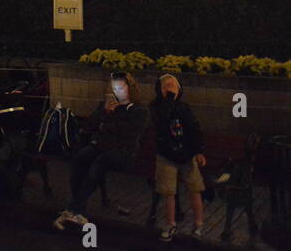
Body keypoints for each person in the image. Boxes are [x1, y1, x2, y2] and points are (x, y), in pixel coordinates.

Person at [54, 72, 149, 231]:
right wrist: (104, 113)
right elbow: (90, 125)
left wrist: (108, 123)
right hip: (101, 146)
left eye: (121, 88)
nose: (118, 92)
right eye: (114, 89)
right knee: (81, 158)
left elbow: (129, 133)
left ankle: (74, 208)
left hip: (123, 151)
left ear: (130, 89)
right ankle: (79, 210)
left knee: (100, 162)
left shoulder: (139, 110)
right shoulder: (107, 106)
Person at [151, 73, 206, 241]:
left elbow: (194, 129)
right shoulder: (156, 107)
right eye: (165, 86)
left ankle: (198, 223)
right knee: (168, 191)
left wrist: (198, 151)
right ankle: (171, 223)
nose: (169, 89)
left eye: (172, 86)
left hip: (187, 154)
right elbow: (161, 122)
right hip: (167, 154)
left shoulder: (184, 108)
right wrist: (169, 100)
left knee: (195, 189)